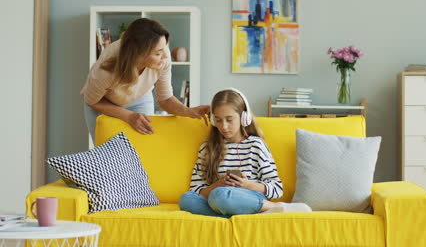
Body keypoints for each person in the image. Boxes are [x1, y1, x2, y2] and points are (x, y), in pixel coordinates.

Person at [178, 88, 312, 218]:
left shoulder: (256, 145)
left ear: (244, 118)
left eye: (229, 120)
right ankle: (253, 213)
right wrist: (218, 184)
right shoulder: (207, 148)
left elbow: (276, 188)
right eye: (218, 120)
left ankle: (270, 206)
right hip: (218, 199)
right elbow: (196, 190)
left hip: (248, 196)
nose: (223, 126)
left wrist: (247, 185)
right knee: (187, 199)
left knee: (220, 196)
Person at [81, 18, 209, 142]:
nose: (165, 56)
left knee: (143, 146)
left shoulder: (163, 56)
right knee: (108, 155)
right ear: (139, 54)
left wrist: (188, 112)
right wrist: (128, 116)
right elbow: (92, 101)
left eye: (164, 48)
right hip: (103, 103)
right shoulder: (106, 69)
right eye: (158, 53)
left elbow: (166, 99)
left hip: (140, 97)